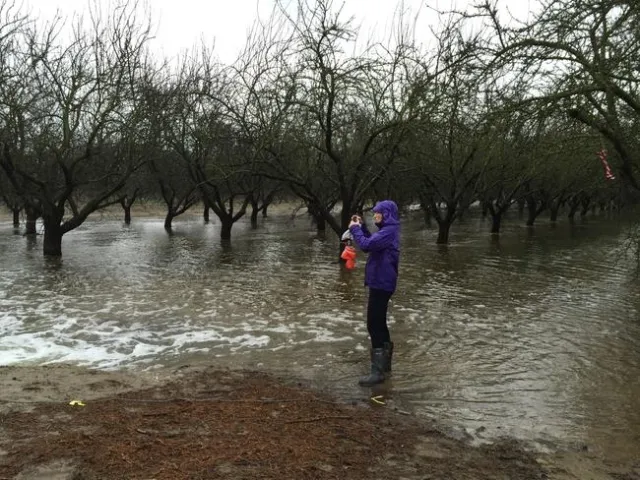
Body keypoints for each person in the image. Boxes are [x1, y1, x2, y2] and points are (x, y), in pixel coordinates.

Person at [348, 200, 400, 386]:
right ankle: (384, 367)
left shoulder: (389, 231)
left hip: (381, 283)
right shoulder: (388, 231)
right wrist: (361, 226)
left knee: (373, 324)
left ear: (386, 214)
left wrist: (354, 229)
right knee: (380, 322)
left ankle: (377, 373)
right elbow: (371, 243)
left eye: (378, 213)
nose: (375, 216)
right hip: (382, 282)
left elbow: (366, 246)